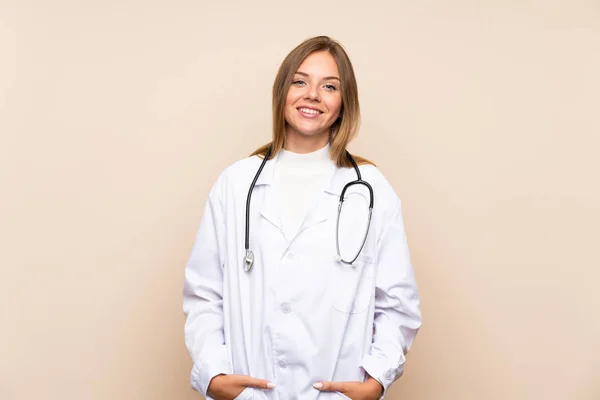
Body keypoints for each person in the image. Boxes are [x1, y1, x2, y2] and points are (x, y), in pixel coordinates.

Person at [183, 35, 422, 400]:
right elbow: (204, 295)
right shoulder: (236, 184)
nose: (312, 94)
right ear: (282, 94)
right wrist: (214, 376)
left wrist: (375, 381)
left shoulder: (371, 189)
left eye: (329, 86)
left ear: (343, 104)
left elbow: (397, 304)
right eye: (300, 81)